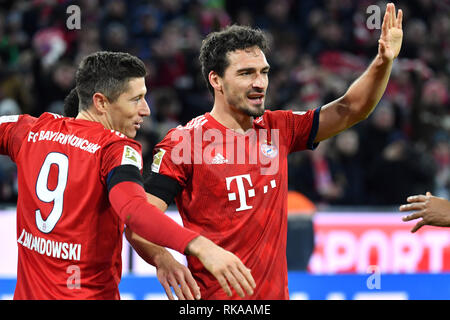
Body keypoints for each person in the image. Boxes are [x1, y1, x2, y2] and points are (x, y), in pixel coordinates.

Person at [131, 3, 403, 299]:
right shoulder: (185, 143)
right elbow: (139, 219)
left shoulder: (278, 128)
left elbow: (351, 109)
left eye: (264, 72)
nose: (259, 83)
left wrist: (382, 62)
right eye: (246, 73)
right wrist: (163, 258)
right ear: (216, 80)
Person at [0, 51, 255, 299]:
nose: (146, 110)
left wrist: (161, 257)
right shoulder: (114, 149)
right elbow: (134, 210)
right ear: (101, 102)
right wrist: (202, 247)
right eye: (136, 99)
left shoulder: (30, 130)